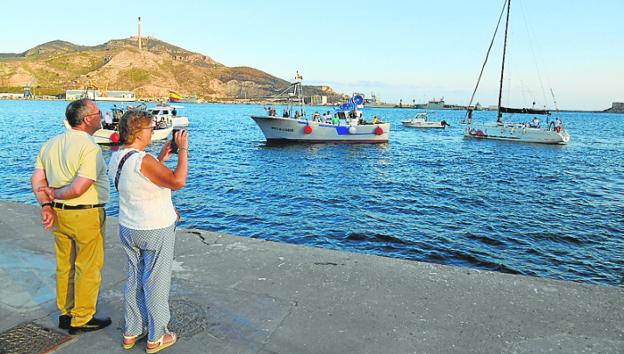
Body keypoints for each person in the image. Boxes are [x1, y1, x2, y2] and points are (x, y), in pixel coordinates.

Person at [108, 110, 189, 353]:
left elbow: (139, 181)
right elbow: (178, 181)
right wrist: (183, 150)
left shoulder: (118, 156)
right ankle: (157, 336)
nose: (152, 131)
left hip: (129, 227)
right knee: (156, 282)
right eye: (150, 128)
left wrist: (161, 159)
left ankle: (132, 332)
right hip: (154, 229)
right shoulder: (143, 160)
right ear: (137, 132)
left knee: (134, 278)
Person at [31, 99, 111, 334]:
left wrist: (47, 203)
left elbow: (37, 179)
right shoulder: (90, 147)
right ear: (88, 119)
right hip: (86, 214)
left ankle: (65, 313)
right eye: (98, 112)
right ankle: (82, 317)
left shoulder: (50, 143)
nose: (101, 116)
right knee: (87, 266)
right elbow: (79, 188)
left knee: (64, 265)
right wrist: (55, 194)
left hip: (59, 214)